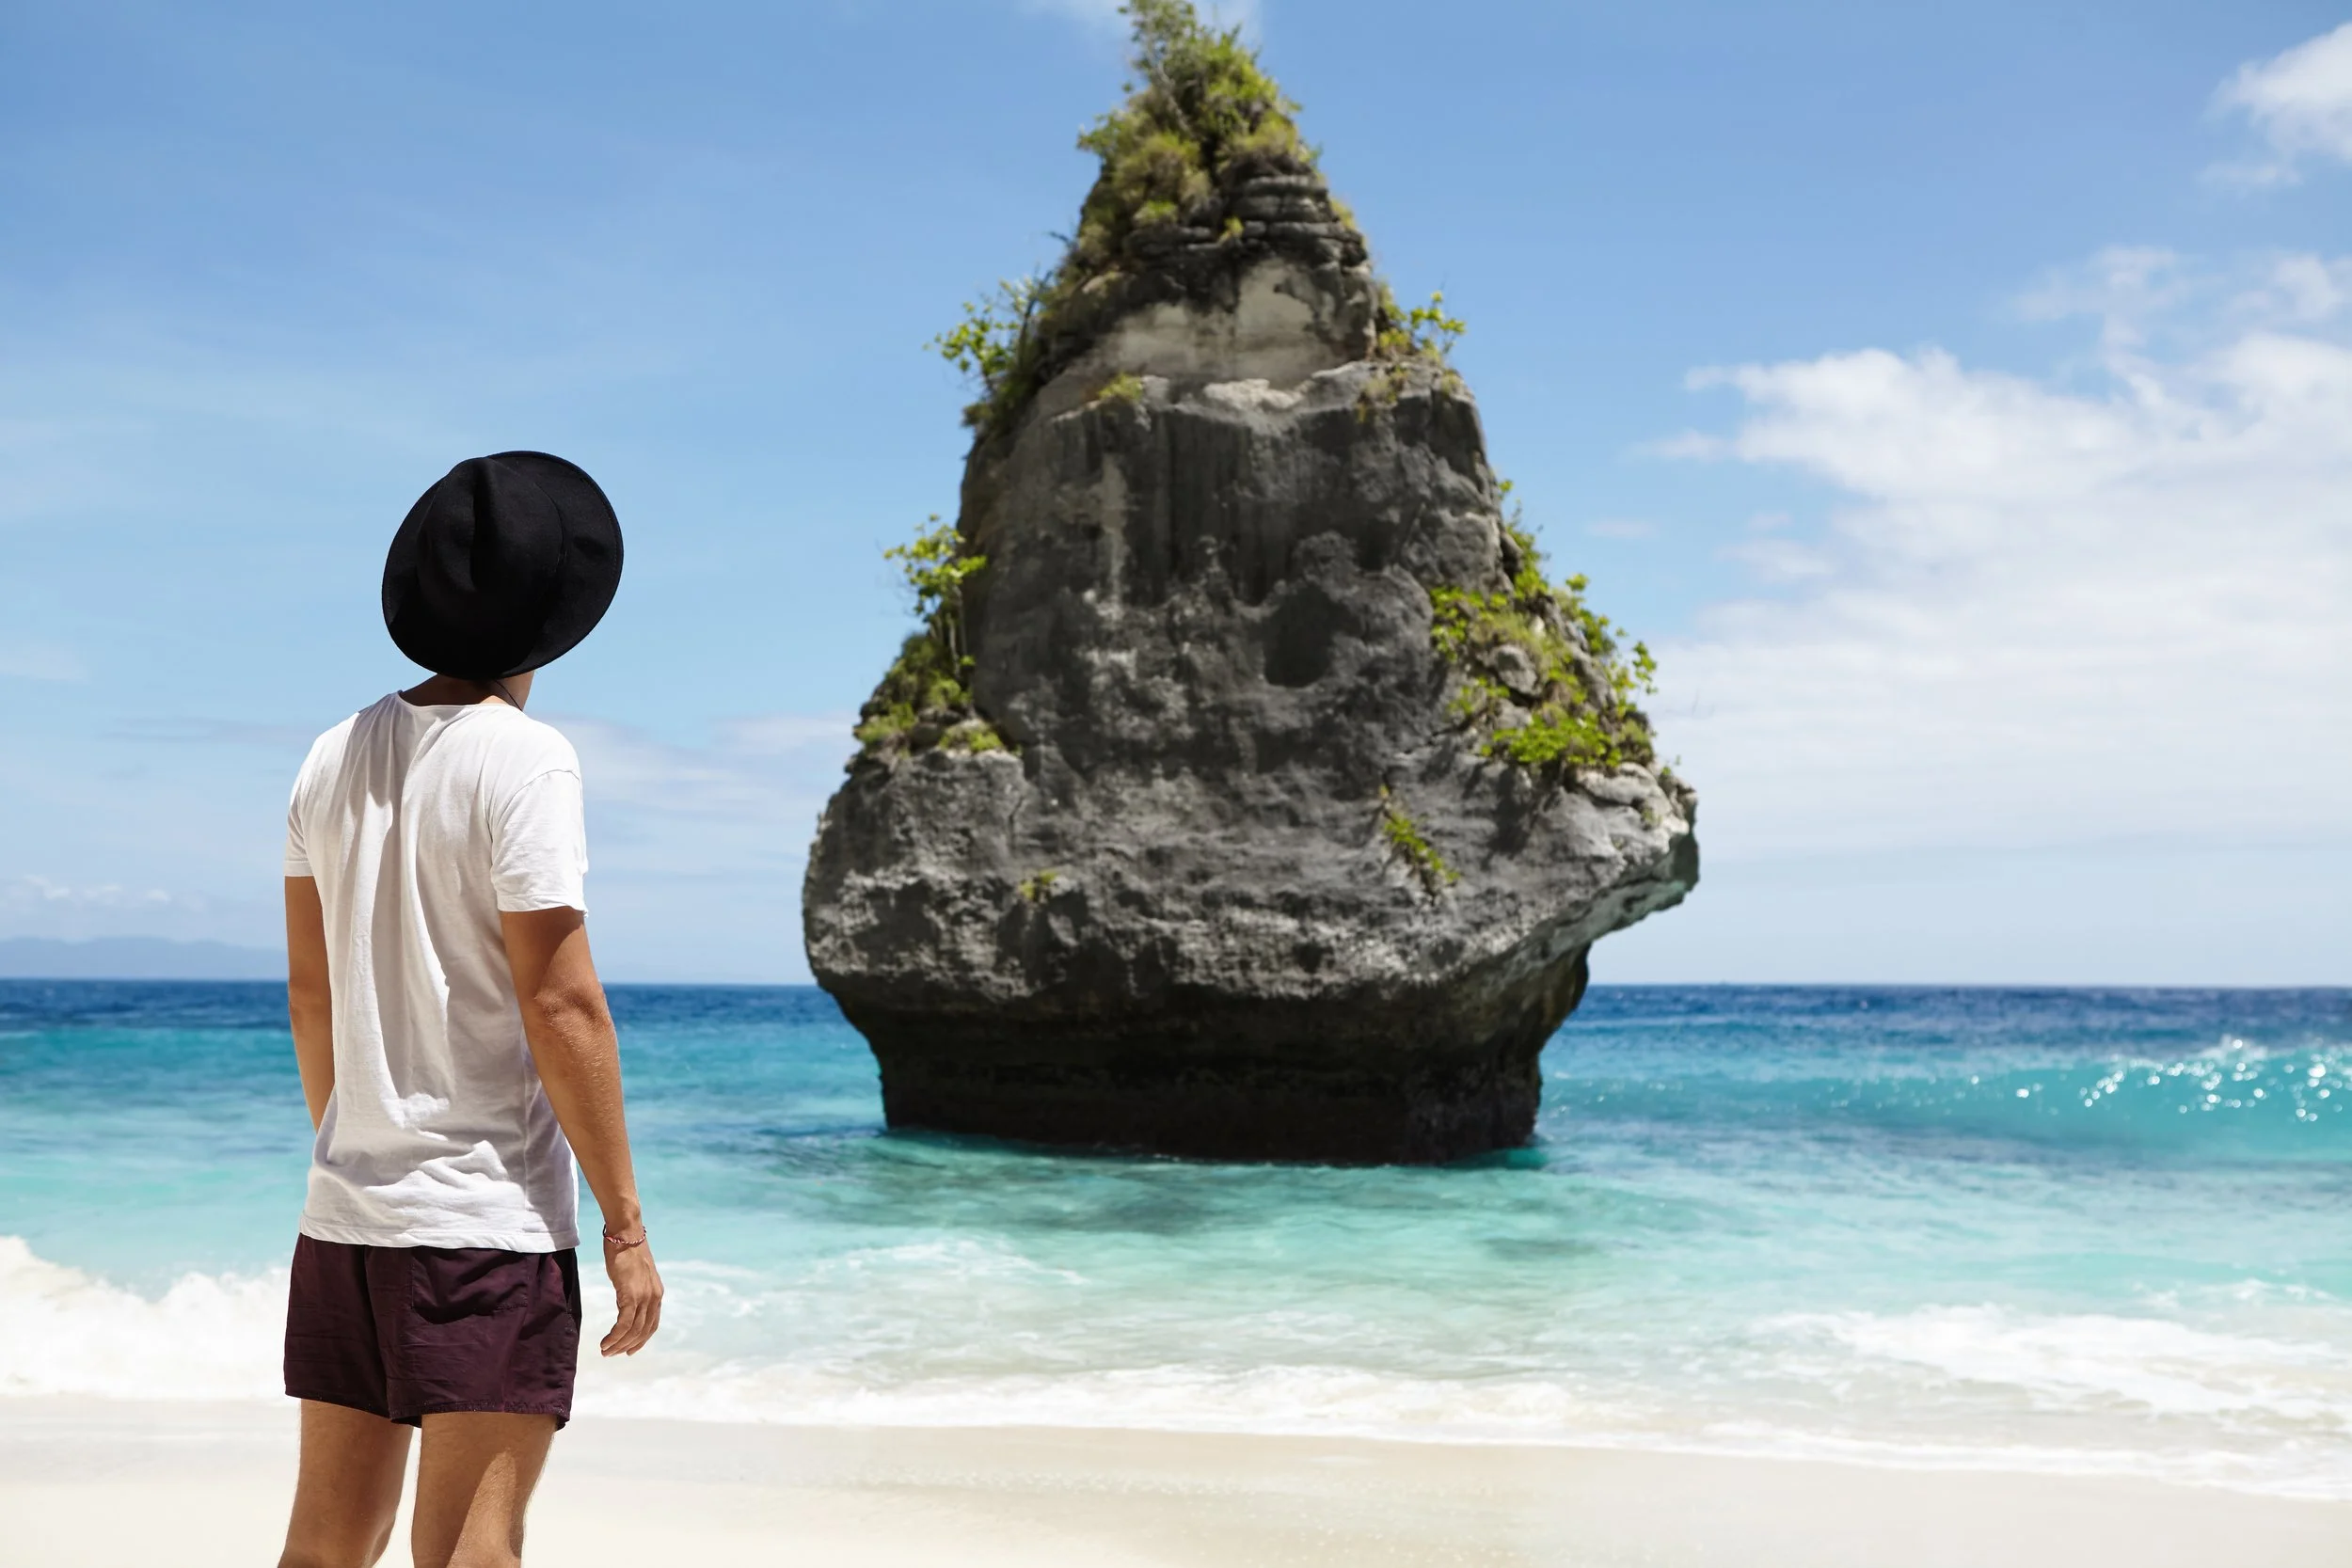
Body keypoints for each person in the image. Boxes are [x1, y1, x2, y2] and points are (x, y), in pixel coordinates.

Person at [276, 451, 660, 1568]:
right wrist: (624, 1226)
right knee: (467, 1554)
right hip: (484, 1230)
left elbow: (314, 994)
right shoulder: (527, 759)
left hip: (347, 1216)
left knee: (324, 1543)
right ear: (556, 619)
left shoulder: (328, 754)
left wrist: (356, 1144)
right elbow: (562, 1000)